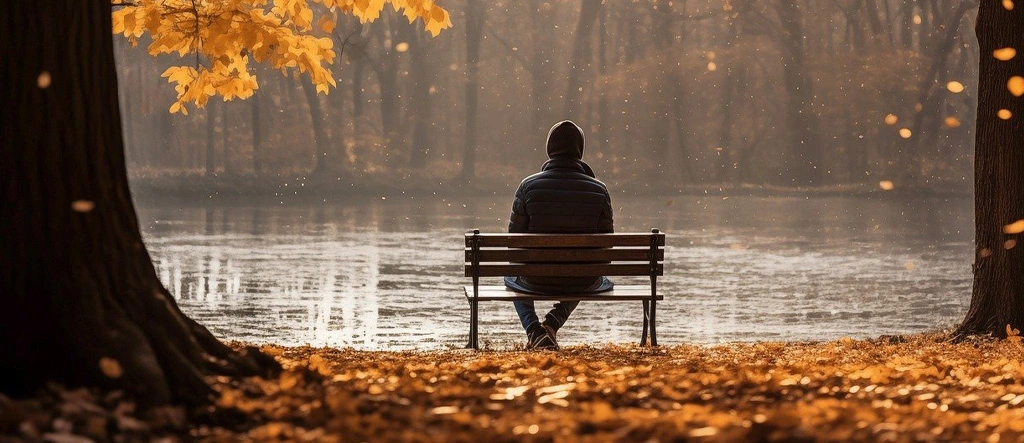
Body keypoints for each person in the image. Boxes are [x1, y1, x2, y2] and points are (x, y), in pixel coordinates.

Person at [504, 120, 614, 350]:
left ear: (549, 150)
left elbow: (514, 244)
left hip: (535, 279)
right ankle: (552, 324)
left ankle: (535, 331)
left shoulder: (528, 186)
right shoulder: (599, 190)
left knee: (511, 273)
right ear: (580, 152)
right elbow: (605, 250)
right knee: (590, 270)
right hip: (581, 279)